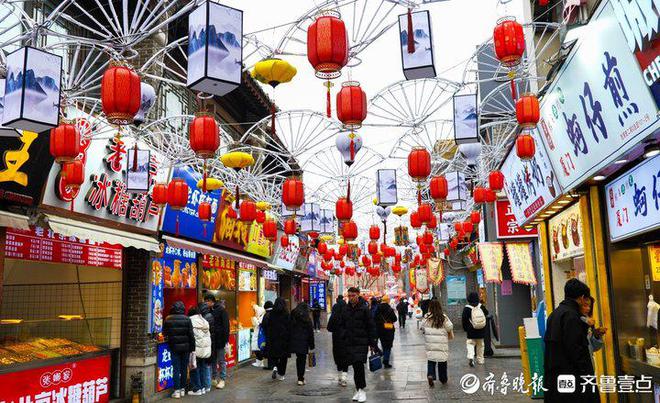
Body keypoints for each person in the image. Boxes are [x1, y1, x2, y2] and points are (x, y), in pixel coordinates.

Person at [543, 279, 598, 403]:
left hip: (555, 377)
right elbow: (576, 350)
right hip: (572, 378)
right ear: (582, 298)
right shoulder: (572, 316)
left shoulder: (554, 314)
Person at [338, 287, 379, 403]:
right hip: (349, 343)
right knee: (355, 367)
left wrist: (372, 343)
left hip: (361, 342)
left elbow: (371, 326)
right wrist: (343, 336)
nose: (351, 298)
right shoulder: (345, 309)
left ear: (358, 295)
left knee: (359, 366)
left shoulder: (364, 309)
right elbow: (341, 325)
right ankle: (358, 389)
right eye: (349, 296)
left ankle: (361, 390)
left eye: (353, 296)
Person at [162, 301, 195, 399]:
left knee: (176, 369)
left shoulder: (168, 319)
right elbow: (191, 335)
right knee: (184, 368)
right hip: (186, 348)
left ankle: (176, 391)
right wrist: (193, 349)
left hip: (174, 347)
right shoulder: (187, 319)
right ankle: (182, 390)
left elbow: (164, 333)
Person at [421, 300, 453, 388]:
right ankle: (443, 378)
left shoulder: (427, 317)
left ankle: (431, 375)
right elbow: (450, 327)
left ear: (430, 307)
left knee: (431, 359)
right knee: (442, 360)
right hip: (441, 343)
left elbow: (422, 327)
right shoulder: (443, 317)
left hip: (430, 343)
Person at [261, 297, 290, 381]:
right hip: (284, 339)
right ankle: (281, 374)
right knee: (283, 358)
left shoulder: (272, 314)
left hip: (273, 339)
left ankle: (275, 366)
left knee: (274, 355)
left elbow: (268, 326)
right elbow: (289, 327)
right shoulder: (286, 314)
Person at [204, 294, 230, 389]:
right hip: (211, 340)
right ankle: (214, 378)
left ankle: (222, 379)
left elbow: (226, 326)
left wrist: (226, 341)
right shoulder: (208, 311)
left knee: (221, 360)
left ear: (211, 301)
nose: (206, 303)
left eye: (206, 301)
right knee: (213, 360)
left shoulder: (221, 310)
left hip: (220, 340)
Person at [289, 302, 315, 385]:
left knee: (298, 358)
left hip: (295, 341)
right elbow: (310, 332)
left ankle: (300, 378)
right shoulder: (307, 318)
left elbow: (289, 327)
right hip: (304, 341)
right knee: (302, 360)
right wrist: (312, 344)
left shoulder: (293, 315)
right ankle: (300, 378)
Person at [188, 306, 212, 395]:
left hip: (195, 349)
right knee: (202, 367)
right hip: (204, 349)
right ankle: (203, 387)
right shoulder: (204, 321)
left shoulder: (190, 321)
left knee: (194, 368)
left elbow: (190, 336)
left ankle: (197, 388)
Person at [461, 292, 488, 367]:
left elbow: (464, 320)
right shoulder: (481, 306)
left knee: (470, 344)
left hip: (471, 330)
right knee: (480, 345)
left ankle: (471, 357)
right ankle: (480, 360)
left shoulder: (467, 308)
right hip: (481, 329)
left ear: (469, 299)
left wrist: (466, 329)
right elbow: (486, 313)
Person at [327, 295, 349, 387]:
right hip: (347, 338)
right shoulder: (348, 311)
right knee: (346, 356)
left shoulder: (335, 312)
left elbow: (329, 327)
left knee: (338, 356)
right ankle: (344, 377)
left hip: (336, 338)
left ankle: (340, 376)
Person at [581, 296, 607, 367]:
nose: (588, 308)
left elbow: (593, 348)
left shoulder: (589, 322)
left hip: (589, 364)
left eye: (590, 306)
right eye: (585, 305)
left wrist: (596, 335)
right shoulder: (573, 320)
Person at [374, 294, 397, 368]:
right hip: (389, 329)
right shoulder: (389, 308)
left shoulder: (378, 308)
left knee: (383, 344)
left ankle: (384, 357)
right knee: (388, 345)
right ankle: (386, 360)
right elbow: (395, 319)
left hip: (380, 329)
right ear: (388, 300)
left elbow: (374, 318)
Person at [197, 302, 215, 393]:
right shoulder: (210, 316)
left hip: (203, 344)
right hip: (209, 344)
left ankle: (204, 385)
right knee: (207, 365)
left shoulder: (203, 319)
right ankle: (207, 385)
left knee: (203, 365)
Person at [262, 300, 275, 370]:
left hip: (269, 335)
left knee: (270, 350)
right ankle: (275, 365)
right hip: (275, 335)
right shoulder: (275, 313)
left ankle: (271, 365)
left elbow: (264, 325)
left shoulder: (266, 314)